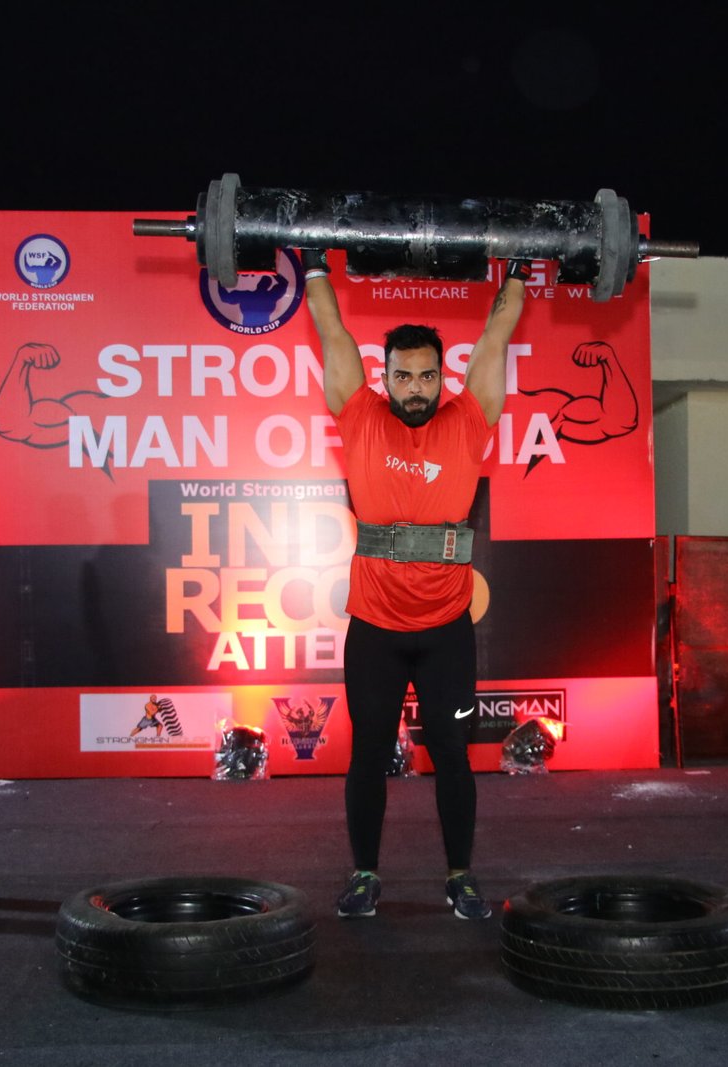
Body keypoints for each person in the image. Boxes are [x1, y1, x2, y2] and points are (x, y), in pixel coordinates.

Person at [302, 250, 526, 919]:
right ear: (386, 377)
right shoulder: (358, 412)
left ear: (442, 375)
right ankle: (364, 876)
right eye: (404, 376)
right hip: (375, 630)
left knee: (452, 755)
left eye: (428, 375)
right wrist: (311, 261)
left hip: (446, 632)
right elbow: (331, 328)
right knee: (368, 754)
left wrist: (517, 271)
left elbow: (498, 333)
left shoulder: (471, 418)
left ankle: (460, 876)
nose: (417, 388)